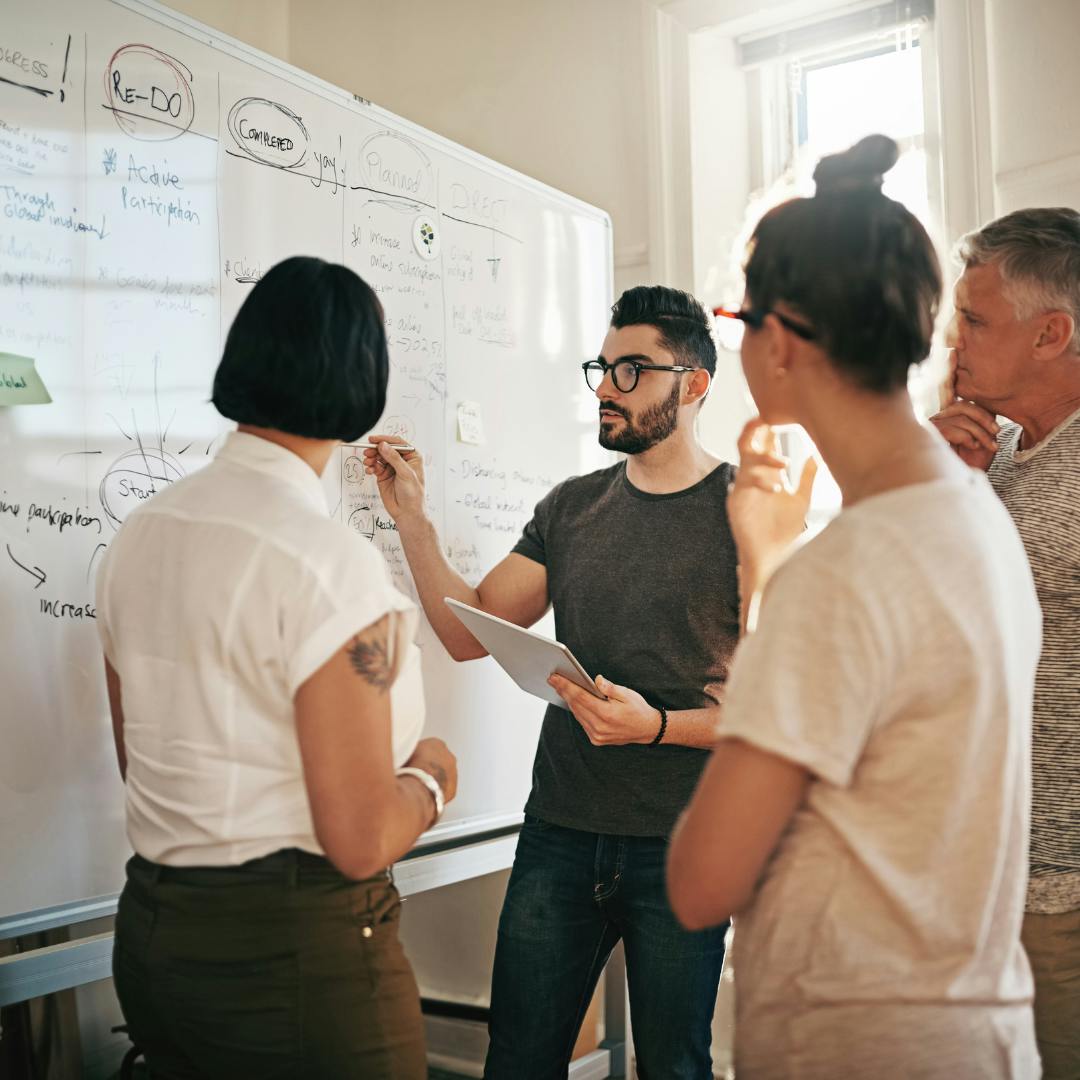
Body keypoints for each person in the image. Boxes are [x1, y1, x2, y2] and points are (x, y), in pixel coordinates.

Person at [666, 135, 1042, 1078]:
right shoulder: (977, 514)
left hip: (861, 1041)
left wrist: (769, 571)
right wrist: (771, 562)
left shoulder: (845, 571)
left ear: (780, 340)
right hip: (974, 1030)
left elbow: (702, 881)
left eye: (735, 320)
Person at [362, 286, 739, 1079]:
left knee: (673, 1066)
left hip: (684, 844)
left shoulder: (748, 512)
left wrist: (660, 727)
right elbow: (472, 632)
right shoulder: (571, 509)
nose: (606, 386)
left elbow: (786, 706)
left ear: (694, 385)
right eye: (603, 367)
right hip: (560, 834)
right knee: (519, 1062)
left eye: (632, 370)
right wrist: (414, 523)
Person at [95, 256, 457, 1079]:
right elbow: (362, 838)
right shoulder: (332, 566)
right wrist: (435, 777)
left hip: (153, 939)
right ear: (363, 384)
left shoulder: (138, 537)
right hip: (296, 961)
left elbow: (135, 760)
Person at [930, 206, 1080, 1079]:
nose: (954, 342)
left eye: (976, 320)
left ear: (1052, 333)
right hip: (981, 870)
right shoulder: (987, 452)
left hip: (1064, 885)